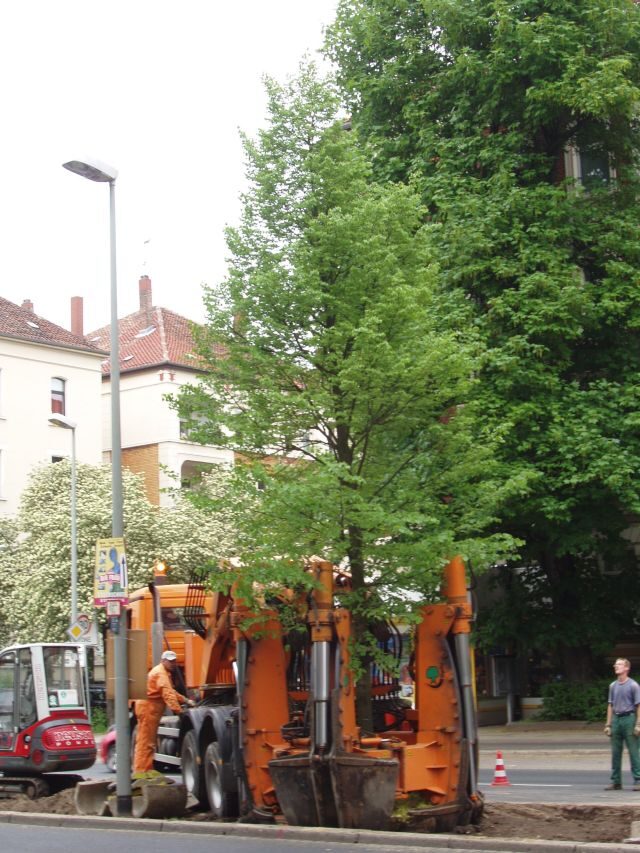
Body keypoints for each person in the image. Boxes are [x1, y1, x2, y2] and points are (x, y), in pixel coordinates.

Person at [133, 650, 192, 772]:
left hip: (149, 709)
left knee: (147, 742)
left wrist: (185, 700)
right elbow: (168, 694)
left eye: (174, 661)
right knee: (146, 743)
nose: (173, 664)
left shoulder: (162, 672)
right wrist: (178, 711)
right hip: (148, 709)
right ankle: (141, 772)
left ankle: (146, 770)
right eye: (170, 661)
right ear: (163, 661)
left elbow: (171, 692)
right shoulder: (161, 674)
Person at [604, 657, 640, 790]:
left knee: (634, 751)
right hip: (616, 720)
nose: (615, 666)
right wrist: (608, 725)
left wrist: (638, 724)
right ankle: (616, 781)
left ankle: (638, 779)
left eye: (619, 664)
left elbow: (638, 706)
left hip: (629, 719)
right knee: (616, 752)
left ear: (626, 668)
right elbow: (610, 705)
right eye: (615, 664)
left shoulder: (633, 685)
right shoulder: (613, 686)